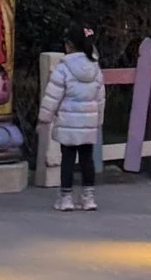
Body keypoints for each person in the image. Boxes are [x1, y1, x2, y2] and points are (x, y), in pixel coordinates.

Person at [42, 25, 105, 210]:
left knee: (68, 160)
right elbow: (100, 97)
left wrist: (44, 117)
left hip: (67, 122)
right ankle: (88, 198)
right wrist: (99, 119)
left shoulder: (63, 68)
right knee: (87, 160)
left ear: (69, 45)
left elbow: (53, 96)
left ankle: (66, 198)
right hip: (88, 122)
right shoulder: (95, 68)